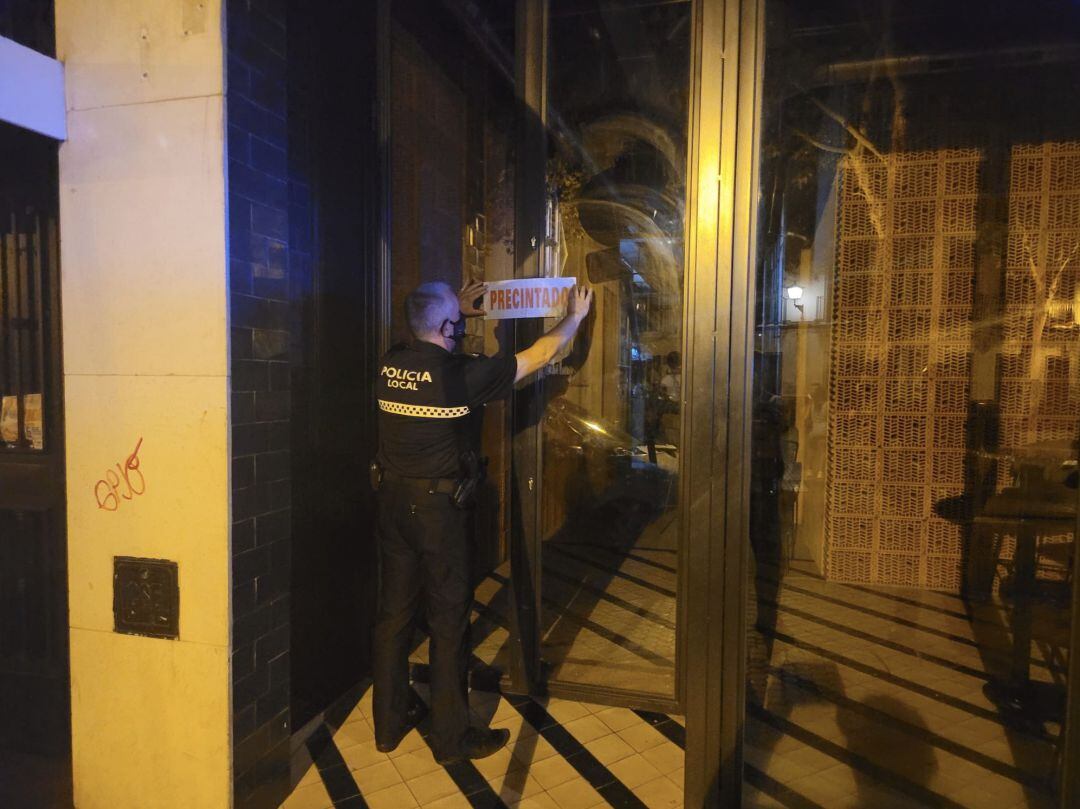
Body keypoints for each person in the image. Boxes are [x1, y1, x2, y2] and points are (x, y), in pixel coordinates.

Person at [372, 278, 593, 764]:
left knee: (393, 617)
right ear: (447, 326)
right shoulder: (461, 377)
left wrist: (460, 316)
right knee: (449, 621)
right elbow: (537, 355)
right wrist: (573, 318)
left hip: (392, 505)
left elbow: (434, 343)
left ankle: (387, 726)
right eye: (457, 320)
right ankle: (451, 739)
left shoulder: (391, 364)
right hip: (437, 513)